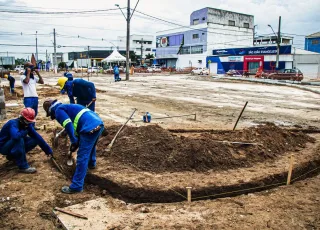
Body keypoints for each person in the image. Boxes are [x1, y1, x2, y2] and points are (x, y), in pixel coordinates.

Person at [43, 99, 104, 194]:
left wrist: (73, 139)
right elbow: (76, 123)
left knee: (82, 156)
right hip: (98, 123)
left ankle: (77, 186)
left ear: (50, 110)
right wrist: (76, 140)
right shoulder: (69, 107)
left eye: (52, 116)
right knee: (90, 146)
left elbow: (68, 124)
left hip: (89, 127)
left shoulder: (58, 110)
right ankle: (92, 163)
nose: (54, 117)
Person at [0, 108, 53, 173]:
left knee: (34, 140)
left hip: (12, 145)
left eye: (30, 121)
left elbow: (37, 137)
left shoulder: (27, 125)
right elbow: (15, 136)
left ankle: (12, 156)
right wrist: (24, 130)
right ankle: (23, 166)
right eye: (27, 121)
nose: (28, 123)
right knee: (19, 139)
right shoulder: (13, 123)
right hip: (4, 147)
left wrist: (48, 150)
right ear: (22, 118)